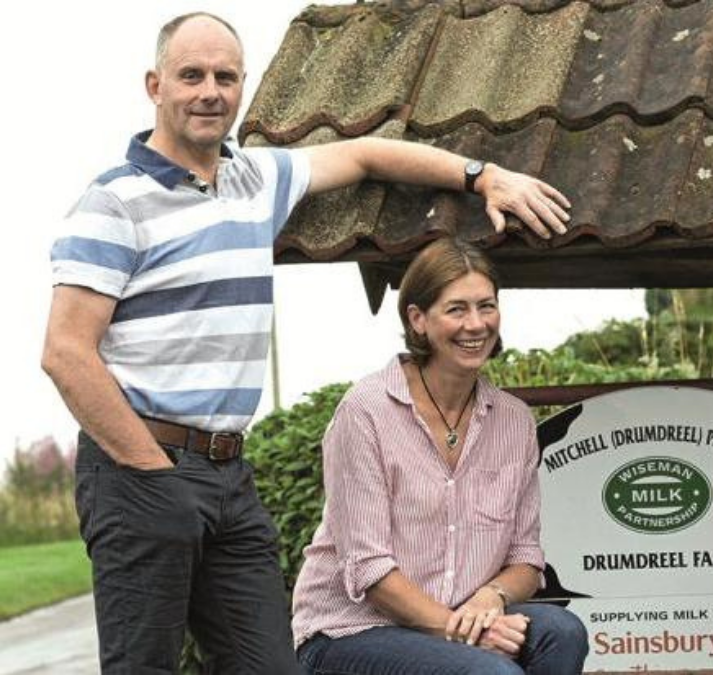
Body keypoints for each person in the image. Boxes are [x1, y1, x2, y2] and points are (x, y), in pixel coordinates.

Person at [41, 12, 572, 674]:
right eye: (191, 76)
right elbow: (65, 352)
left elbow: (366, 153)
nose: (210, 90)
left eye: (225, 77)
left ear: (242, 87)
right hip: (139, 466)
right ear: (155, 85)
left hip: (229, 471)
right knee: (144, 664)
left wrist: (482, 176)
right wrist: (152, 469)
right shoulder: (113, 204)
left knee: (268, 665)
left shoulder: (254, 180)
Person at [290, 237, 588, 674]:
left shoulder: (514, 420)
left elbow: (526, 559)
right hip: (352, 631)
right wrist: (461, 630)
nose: (476, 324)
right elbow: (370, 572)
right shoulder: (365, 412)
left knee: (562, 631)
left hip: (460, 618)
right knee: (489, 673)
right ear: (418, 319)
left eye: (486, 306)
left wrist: (492, 598)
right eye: (456, 309)